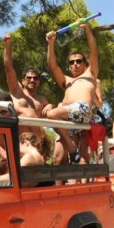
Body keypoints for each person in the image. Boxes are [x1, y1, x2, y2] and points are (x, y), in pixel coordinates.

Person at [44, 21, 99, 162]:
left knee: (52, 113)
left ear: (85, 64)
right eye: (71, 62)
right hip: (67, 119)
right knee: (58, 158)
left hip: (83, 112)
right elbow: (53, 66)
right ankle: (71, 150)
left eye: (79, 61)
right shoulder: (67, 80)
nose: (75, 64)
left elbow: (93, 52)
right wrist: (50, 44)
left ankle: (72, 148)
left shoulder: (90, 74)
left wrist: (87, 31)